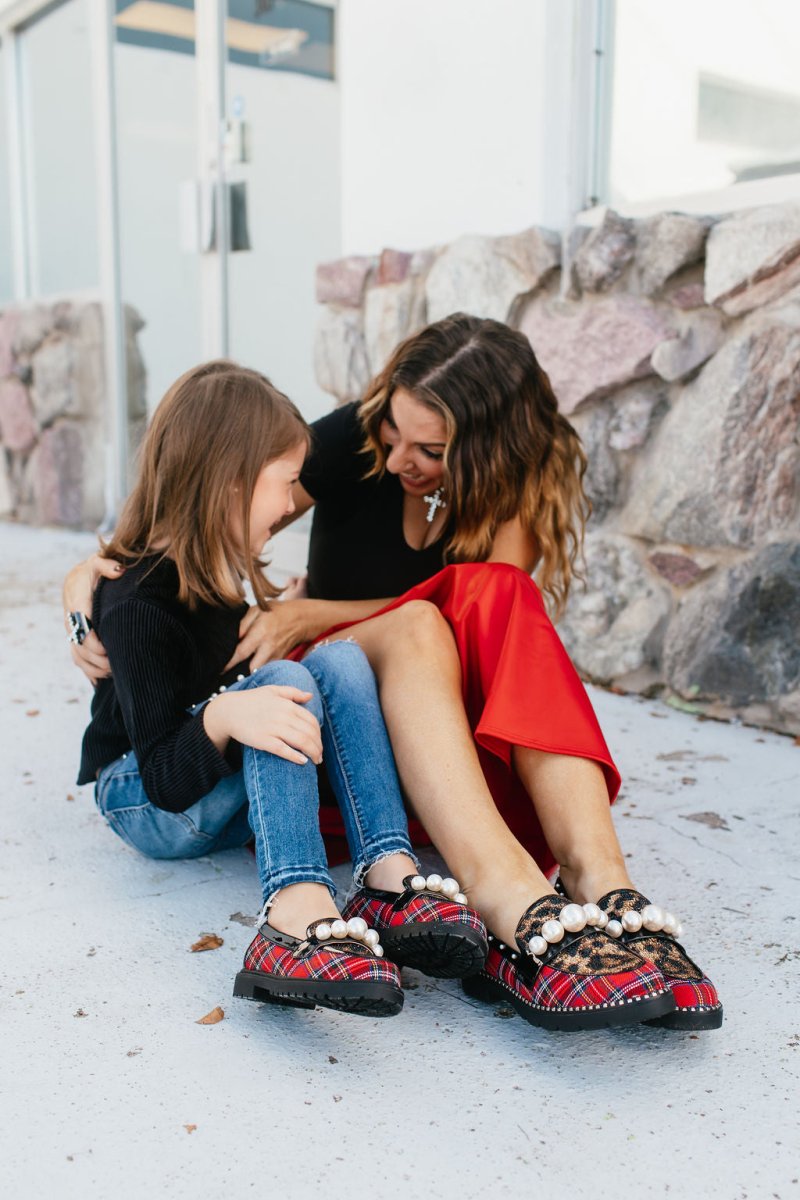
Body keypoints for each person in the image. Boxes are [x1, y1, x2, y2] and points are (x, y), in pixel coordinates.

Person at [66, 316, 722, 1032]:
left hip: (444, 736)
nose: (399, 455)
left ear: (487, 452)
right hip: (338, 719)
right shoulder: (357, 435)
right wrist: (87, 587)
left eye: (430, 449)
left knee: (500, 594)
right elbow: (199, 496)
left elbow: (491, 630)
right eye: (392, 435)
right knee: (413, 623)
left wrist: (313, 612)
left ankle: (601, 877)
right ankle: (503, 895)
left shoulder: (521, 480)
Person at [74, 360, 489, 1020]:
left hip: (199, 776)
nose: (296, 499)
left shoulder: (211, 575)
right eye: (287, 482)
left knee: (341, 661)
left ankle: (387, 874)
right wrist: (221, 716)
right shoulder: (136, 604)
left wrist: (250, 681)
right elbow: (159, 778)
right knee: (288, 681)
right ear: (230, 483)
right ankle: (294, 910)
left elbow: (229, 670)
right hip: (141, 797)